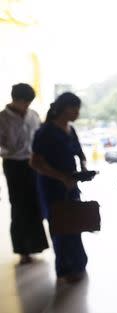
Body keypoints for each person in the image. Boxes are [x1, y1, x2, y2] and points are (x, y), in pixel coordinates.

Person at [30, 92, 88, 282]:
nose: (77, 112)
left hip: (71, 185)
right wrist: (61, 177)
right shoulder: (45, 132)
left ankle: (78, 264)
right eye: (75, 108)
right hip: (51, 186)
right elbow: (36, 162)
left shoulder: (70, 130)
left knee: (75, 224)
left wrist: (84, 170)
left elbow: (80, 154)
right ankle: (65, 269)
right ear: (63, 109)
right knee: (60, 227)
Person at [0, 83, 48, 265]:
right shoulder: (2, 118)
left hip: (33, 164)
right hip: (13, 165)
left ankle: (36, 246)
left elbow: (40, 138)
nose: (27, 105)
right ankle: (22, 250)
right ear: (15, 99)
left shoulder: (33, 115)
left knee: (36, 204)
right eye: (24, 102)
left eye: (29, 102)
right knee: (19, 207)